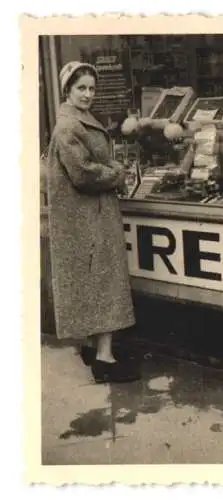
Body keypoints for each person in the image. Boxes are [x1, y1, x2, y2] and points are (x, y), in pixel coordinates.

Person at [47, 61, 140, 384]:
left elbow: (94, 160)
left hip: (91, 214)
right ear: (67, 90)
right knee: (103, 282)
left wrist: (113, 166)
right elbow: (84, 173)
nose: (88, 94)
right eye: (81, 88)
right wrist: (116, 174)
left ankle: (95, 348)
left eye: (91, 88)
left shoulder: (80, 121)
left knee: (96, 282)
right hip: (88, 216)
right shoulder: (68, 127)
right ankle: (105, 358)